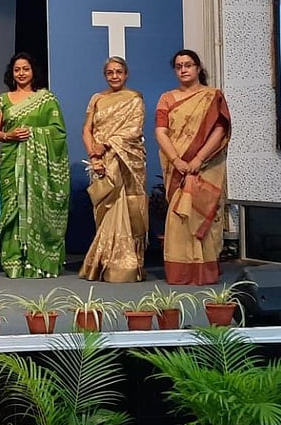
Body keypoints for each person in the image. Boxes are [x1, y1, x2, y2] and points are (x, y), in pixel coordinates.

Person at [155, 49, 231, 285]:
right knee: (179, 219)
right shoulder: (167, 98)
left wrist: (198, 159)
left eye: (188, 65)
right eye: (179, 66)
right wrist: (177, 160)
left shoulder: (212, 96)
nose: (183, 69)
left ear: (198, 68)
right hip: (177, 168)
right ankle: (181, 273)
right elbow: (161, 131)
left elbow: (219, 129)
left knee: (204, 212)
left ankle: (205, 271)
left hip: (206, 166)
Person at [0, 52, 69, 278]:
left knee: (37, 207)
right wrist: (10, 135)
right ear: (11, 74)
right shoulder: (3, 99)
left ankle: (38, 261)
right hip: (12, 161)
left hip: (38, 169)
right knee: (12, 209)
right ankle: (14, 260)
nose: (21, 73)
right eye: (17, 70)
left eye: (25, 69)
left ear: (33, 72)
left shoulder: (47, 100)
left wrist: (33, 133)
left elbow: (58, 133)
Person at [79, 57, 148, 283]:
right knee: (105, 210)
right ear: (105, 75)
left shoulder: (134, 99)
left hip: (125, 160)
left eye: (119, 72)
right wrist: (93, 154)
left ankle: (124, 266)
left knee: (127, 208)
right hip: (100, 160)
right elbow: (87, 129)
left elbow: (133, 130)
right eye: (110, 72)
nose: (115, 76)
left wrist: (107, 144)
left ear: (126, 74)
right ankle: (103, 262)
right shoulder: (97, 99)